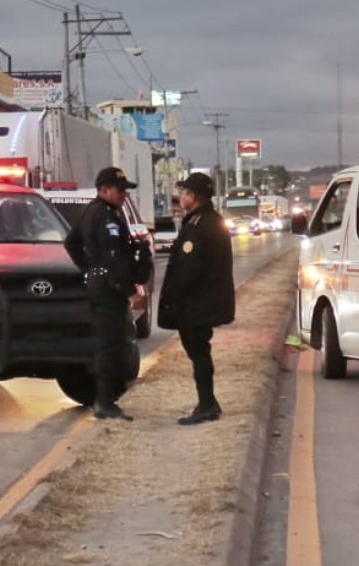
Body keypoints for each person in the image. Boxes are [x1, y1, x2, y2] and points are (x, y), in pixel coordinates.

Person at [64, 166, 149, 421]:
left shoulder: (89, 211)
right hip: (109, 288)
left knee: (108, 342)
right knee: (110, 344)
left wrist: (88, 270)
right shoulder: (107, 217)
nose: (124, 195)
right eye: (120, 190)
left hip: (99, 283)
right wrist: (129, 291)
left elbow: (71, 243)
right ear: (104, 190)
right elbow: (115, 259)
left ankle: (105, 399)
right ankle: (104, 401)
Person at [158, 172, 235, 425]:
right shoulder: (212, 220)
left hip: (196, 304)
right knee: (200, 352)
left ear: (193, 196)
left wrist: (173, 297)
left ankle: (206, 405)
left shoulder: (198, 225)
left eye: (184, 193)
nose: (181, 197)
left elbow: (188, 269)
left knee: (199, 353)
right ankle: (209, 402)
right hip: (205, 301)